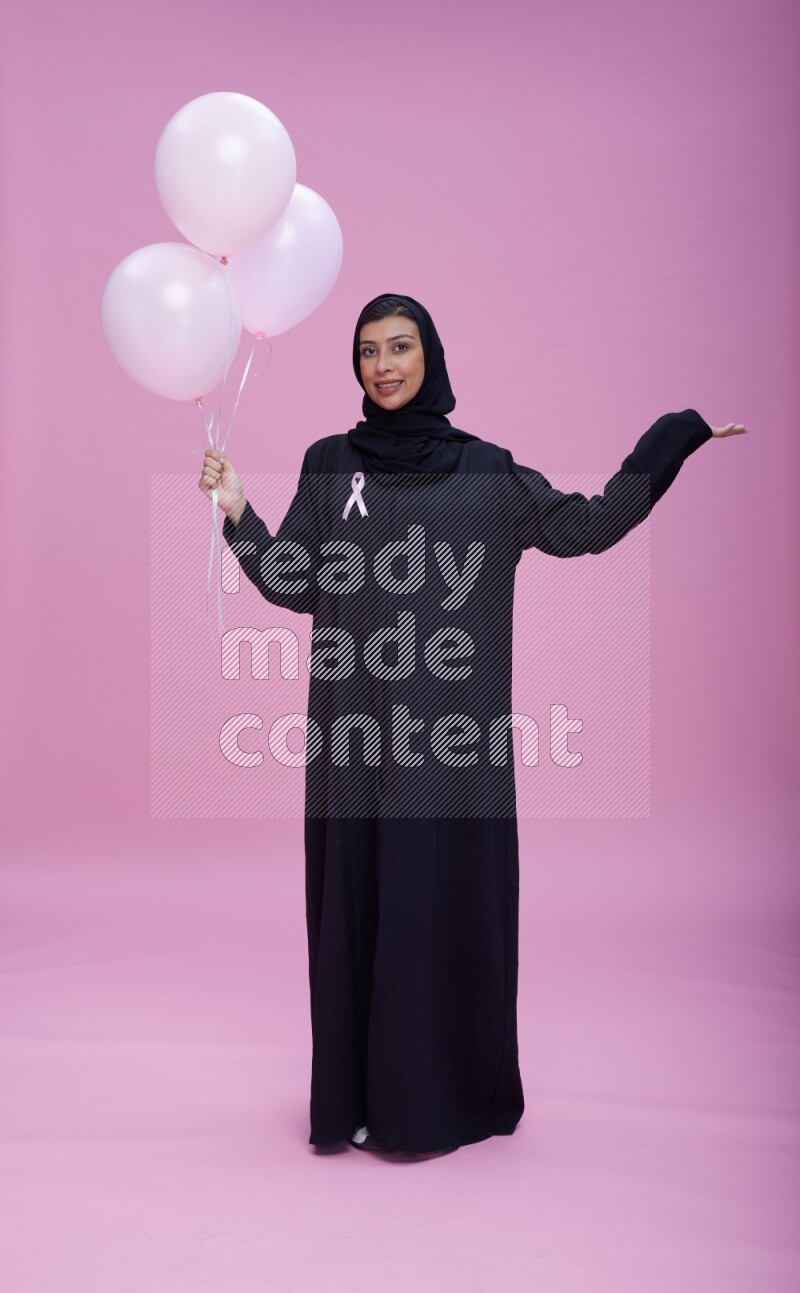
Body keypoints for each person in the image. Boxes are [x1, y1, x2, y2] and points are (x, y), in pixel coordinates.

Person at [199, 293, 747, 1158]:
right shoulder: (329, 462)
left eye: (401, 347)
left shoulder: (486, 473)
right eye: (369, 350)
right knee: (361, 910)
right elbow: (300, 581)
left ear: (432, 356)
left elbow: (588, 524)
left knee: (433, 916)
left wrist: (676, 435)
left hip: (452, 758)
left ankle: (433, 1101)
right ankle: (360, 1099)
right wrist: (238, 511)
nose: (384, 365)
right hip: (355, 747)